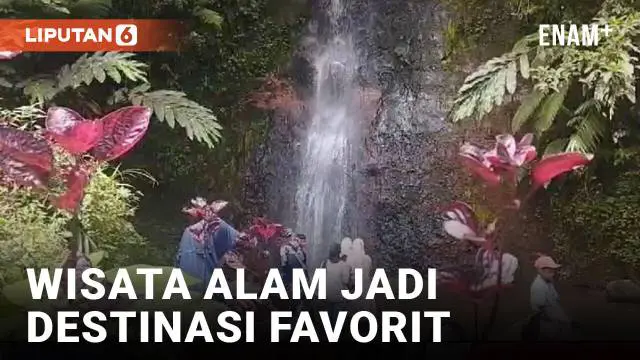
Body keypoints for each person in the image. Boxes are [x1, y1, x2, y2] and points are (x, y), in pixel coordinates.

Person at [529, 254, 572, 340]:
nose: (553, 274)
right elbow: (542, 309)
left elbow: (555, 300)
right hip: (546, 322)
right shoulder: (539, 286)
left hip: (555, 321)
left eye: (553, 271)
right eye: (550, 271)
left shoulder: (548, 283)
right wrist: (560, 319)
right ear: (541, 271)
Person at [322, 242, 352, 322]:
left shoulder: (325, 263)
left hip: (327, 296)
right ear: (339, 252)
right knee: (336, 321)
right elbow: (345, 281)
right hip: (339, 297)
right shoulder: (343, 265)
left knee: (328, 320)